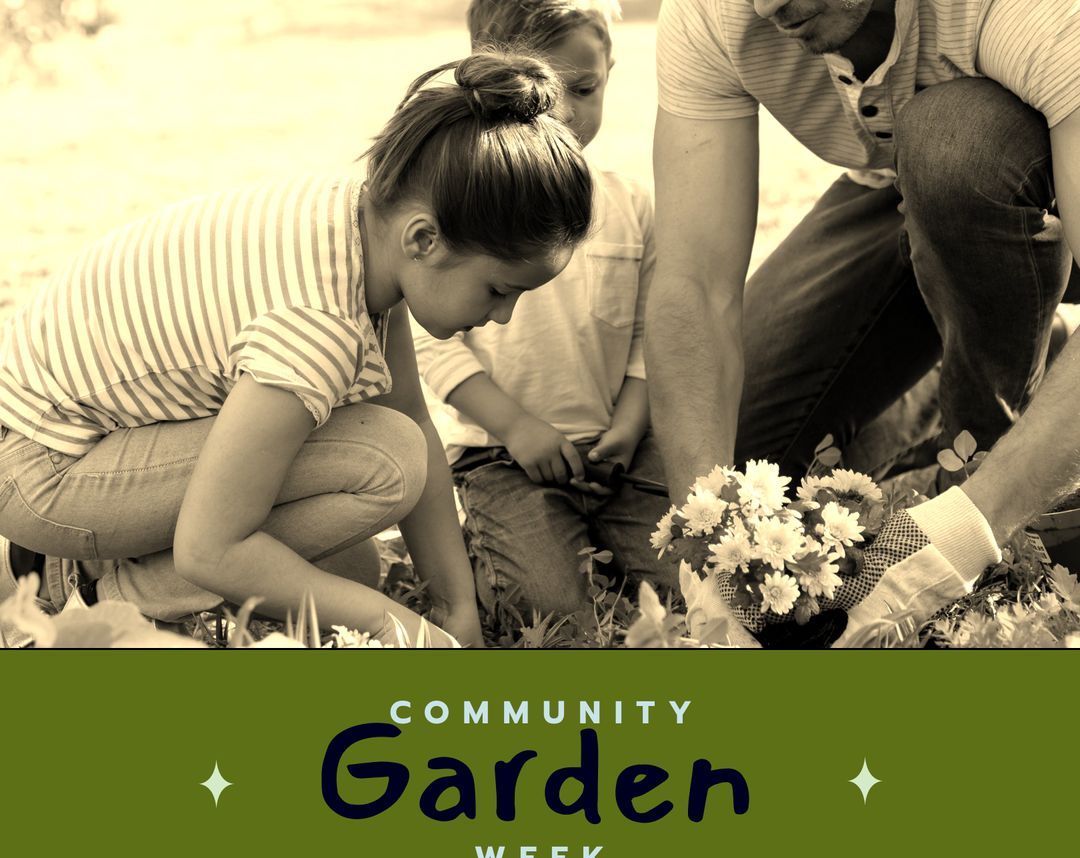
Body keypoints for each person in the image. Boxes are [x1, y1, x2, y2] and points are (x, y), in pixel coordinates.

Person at [0, 51, 593, 649]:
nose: (502, 316)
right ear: (424, 238)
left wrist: (455, 606)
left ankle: (82, 563)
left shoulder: (359, 226)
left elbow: (411, 412)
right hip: (40, 469)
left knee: (352, 569)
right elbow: (211, 549)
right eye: (498, 290)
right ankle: (97, 602)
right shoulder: (319, 324)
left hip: (66, 443)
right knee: (386, 461)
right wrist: (414, 635)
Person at [647, 0, 1080, 645]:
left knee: (953, 141)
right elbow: (693, 287)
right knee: (742, 451)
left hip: (1012, 172)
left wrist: (964, 532)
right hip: (903, 195)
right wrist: (706, 526)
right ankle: (965, 357)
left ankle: (990, 441)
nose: (767, 7)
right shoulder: (709, 13)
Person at [414, 0, 677, 618]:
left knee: (692, 586)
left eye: (584, 88)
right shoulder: (468, 200)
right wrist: (515, 426)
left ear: (611, 68)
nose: (565, 112)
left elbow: (650, 331)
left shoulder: (632, 205)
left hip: (622, 451)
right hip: (503, 455)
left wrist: (632, 424)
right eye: (544, 91)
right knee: (554, 610)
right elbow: (429, 336)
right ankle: (488, 551)